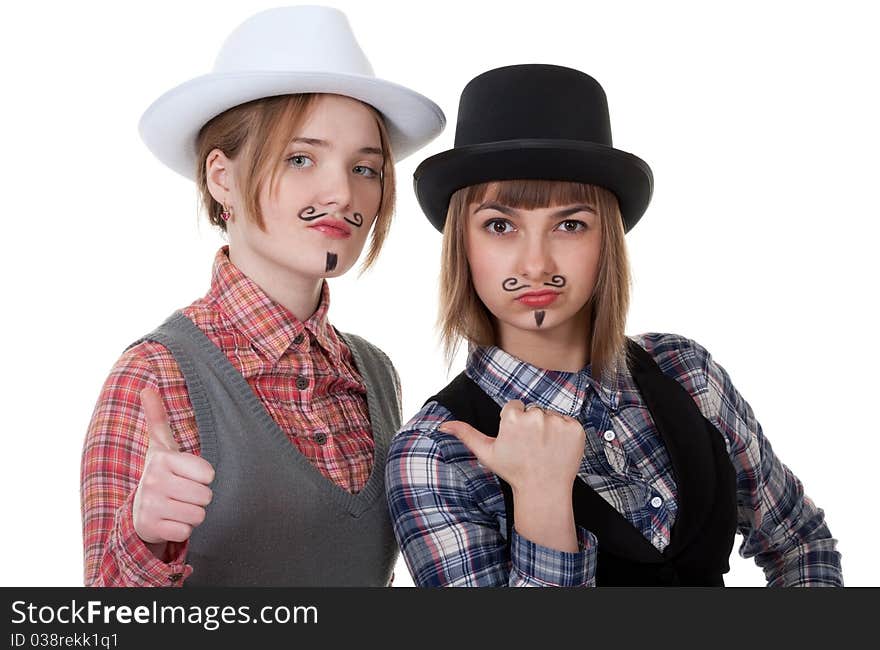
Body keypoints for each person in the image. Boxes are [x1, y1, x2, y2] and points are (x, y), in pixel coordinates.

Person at [385, 64, 842, 586]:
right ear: (462, 247)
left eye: (571, 224)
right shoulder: (436, 452)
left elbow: (800, 542)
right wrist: (541, 493)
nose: (535, 263)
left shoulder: (685, 371)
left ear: (607, 241)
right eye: (501, 226)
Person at [80, 6, 444, 586]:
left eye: (366, 168)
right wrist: (144, 537)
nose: (342, 192)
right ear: (221, 177)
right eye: (301, 158)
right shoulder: (155, 375)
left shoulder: (375, 373)